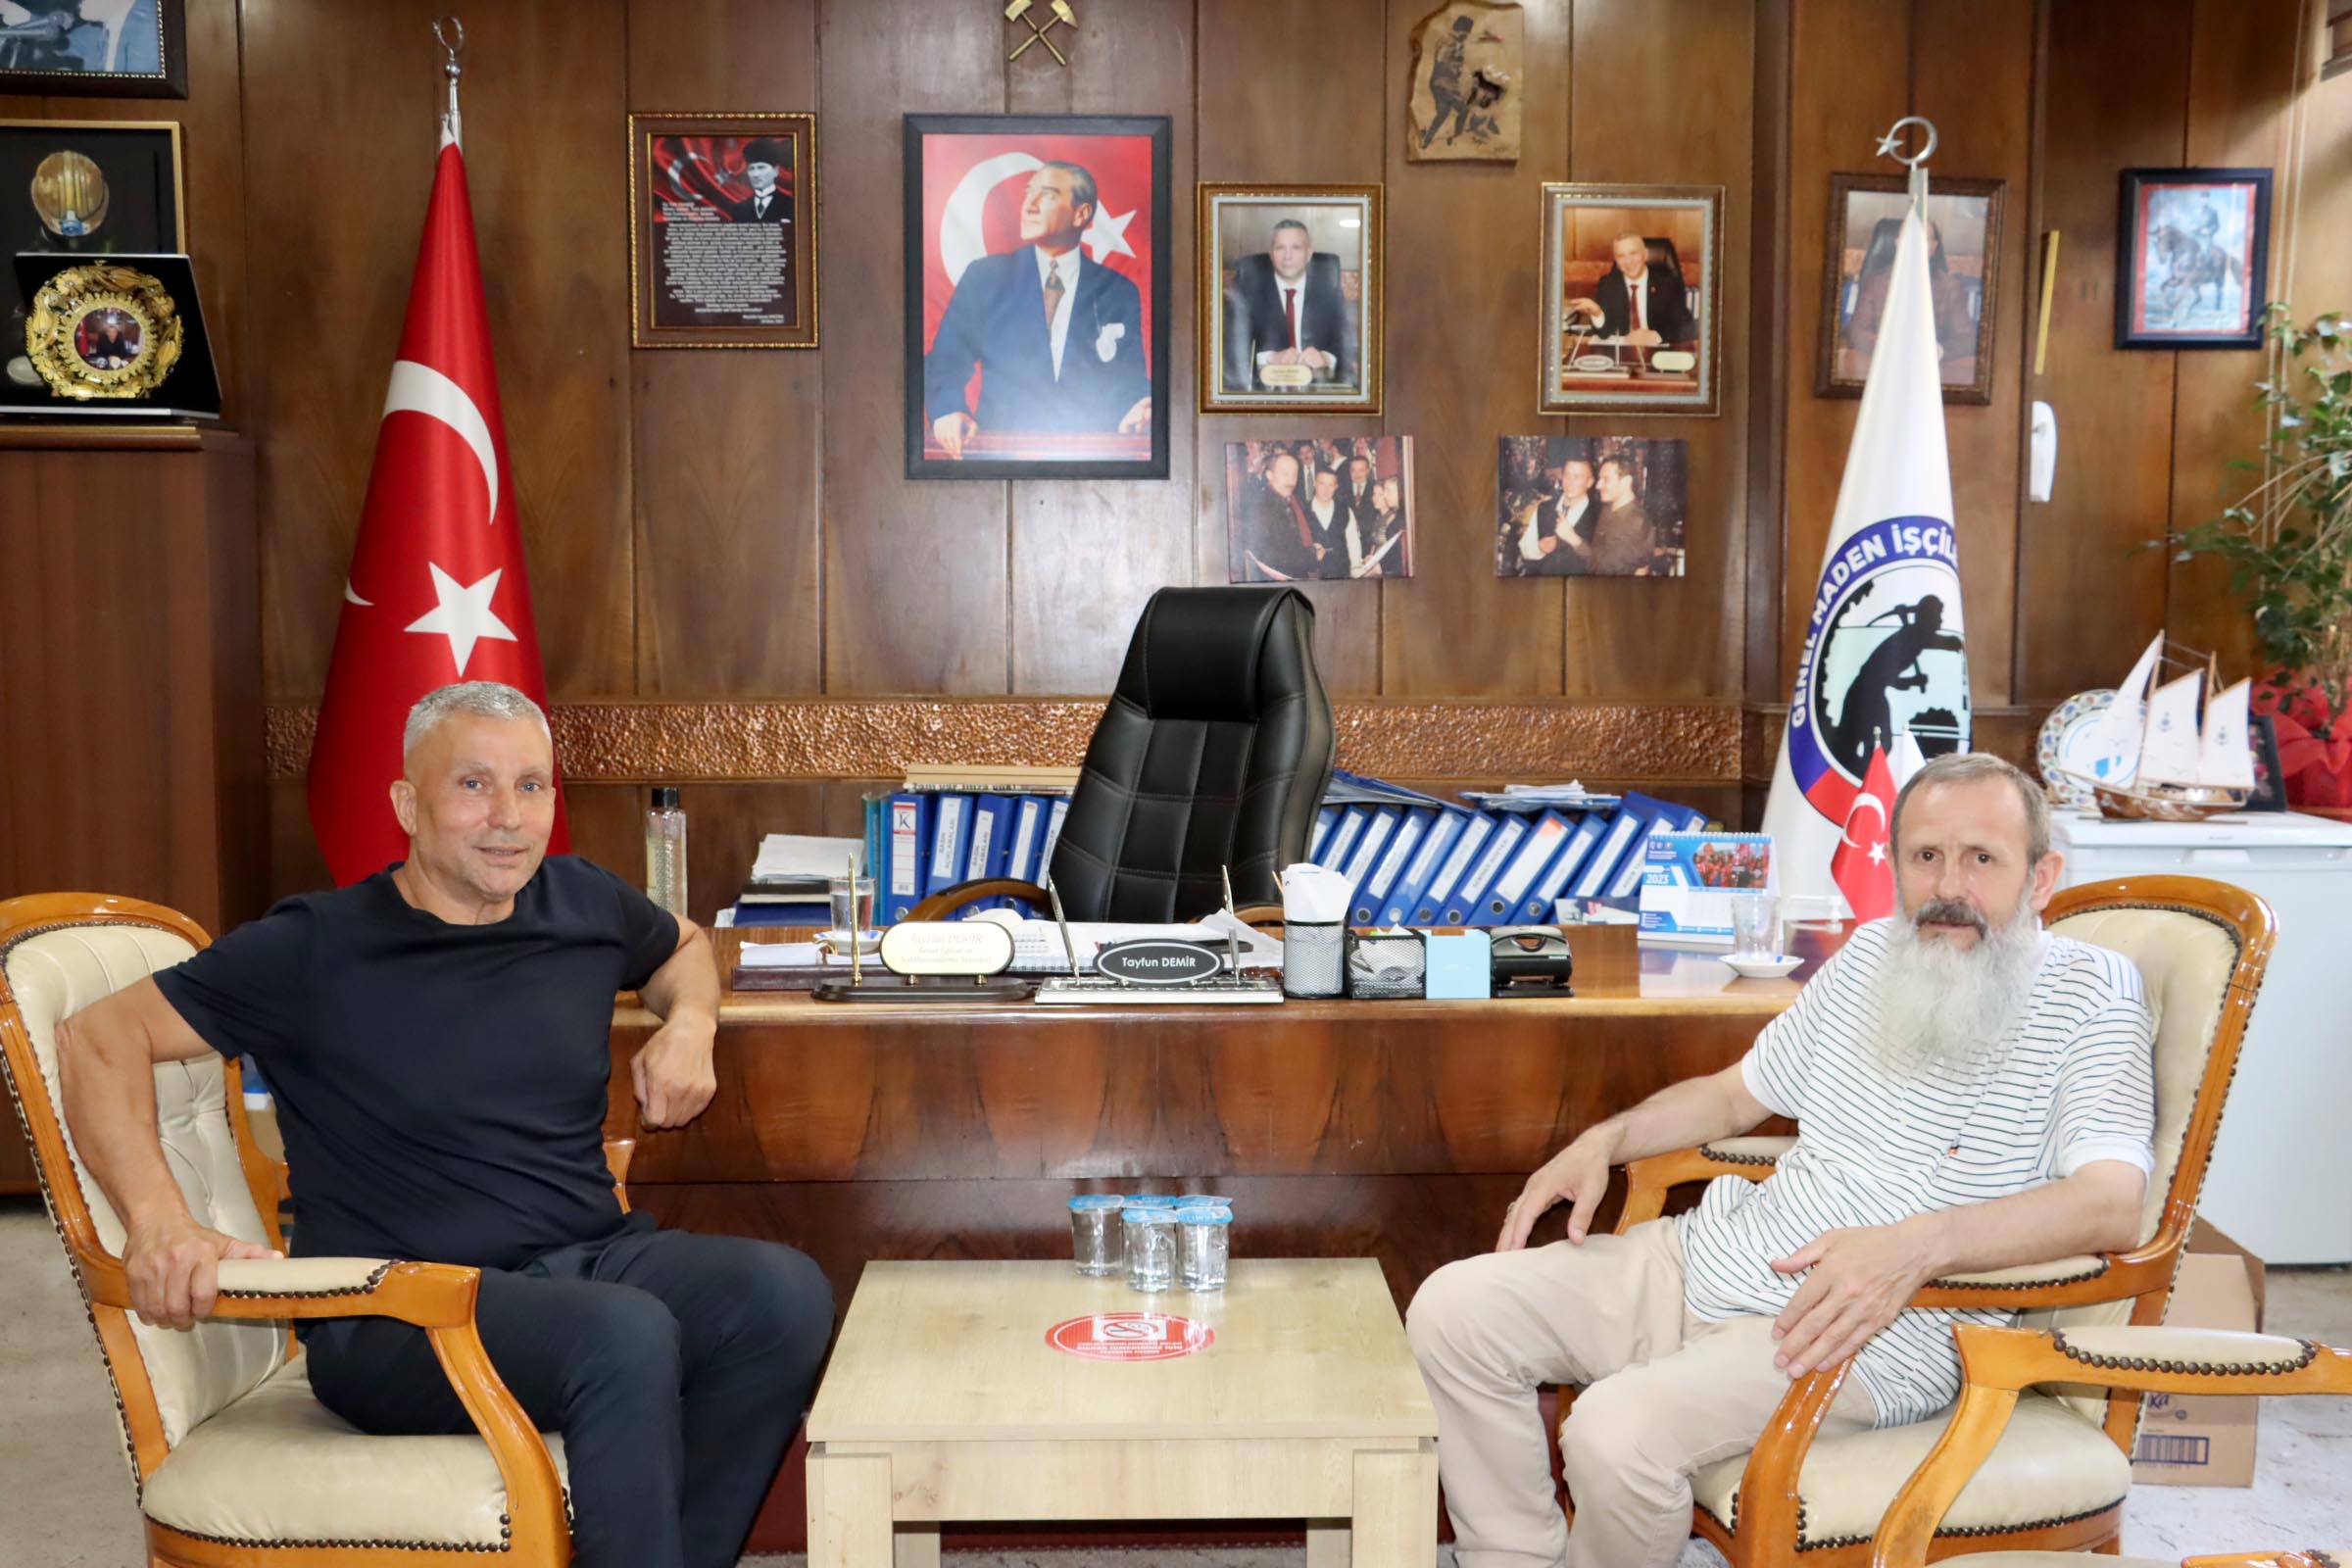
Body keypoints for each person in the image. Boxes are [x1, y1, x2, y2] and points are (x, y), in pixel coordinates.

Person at [53, 681, 833, 1568]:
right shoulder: (315, 944)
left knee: (782, 1297)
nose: (508, 817)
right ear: (406, 805)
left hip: (585, 1258)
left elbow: (685, 948)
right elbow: (95, 1039)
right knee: (622, 1335)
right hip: (394, 1309)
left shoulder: (581, 900)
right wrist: (160, 1222)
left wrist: (691, 1025)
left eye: (531, 786)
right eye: (473, 785)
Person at [1407, 752, 2155, 1568]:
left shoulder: (2094, 992)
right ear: (1894, 864)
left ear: (2040, 877)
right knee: (1455, 1311)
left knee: (1615, 1433)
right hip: (1713, 1257)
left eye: (1982, 858)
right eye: (1926, 856)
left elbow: (2112, 1203)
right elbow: (1733, 1097)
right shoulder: (1870, 957)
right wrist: (1606, 1140)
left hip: (1868, 1330)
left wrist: (1917, 1245)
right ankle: (1511, 1556)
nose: (1949, 886)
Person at [922, 160, 1151, 458]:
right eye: (1029, 193)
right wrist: (948, 410)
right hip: (999, 459)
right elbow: (945, 362)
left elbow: (1129, 381)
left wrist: (1141, 405)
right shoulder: (986, 278)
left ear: (1081, 214)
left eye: (1048, 194)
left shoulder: (1118, 290)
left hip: (1090, 462)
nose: (1029, 205)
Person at [1223, 218, 1356, 392]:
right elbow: (1232, 357)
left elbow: (1346, 349)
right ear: (1271, 254)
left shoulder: (1328, 293)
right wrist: (1269, 358)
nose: (1287, 256)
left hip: (1318, 395)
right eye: (1280, 248)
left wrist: (1326, 358)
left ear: (1309, 254)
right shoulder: (1248, 295)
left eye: (1296, 248)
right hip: (1266, 397)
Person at [1565, 230, 1695, 345]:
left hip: (1657, 352)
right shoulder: (1608, 284)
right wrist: (1597, 313)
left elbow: (1686, 326)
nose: (1628, 261)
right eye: (1621, 256)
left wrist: (1657, 336)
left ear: (1645, 254)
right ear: (1616, 260)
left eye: (1633, 253)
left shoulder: (1668, 283)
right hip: (1623, 353)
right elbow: (1604, 333)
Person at [1513, 453, 1600, 575]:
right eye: (1567, 474)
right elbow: (1524, 550)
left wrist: (1573, 538)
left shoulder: (1598, 516)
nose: (1569, 482)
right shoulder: (1544, 507)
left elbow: (1600, 564)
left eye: (1577, 477)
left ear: (1589, 482)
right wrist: (1539, 548)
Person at [1577, 453, 1655, 574]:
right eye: (1599, 479)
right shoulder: (1608, 509)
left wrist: (1573, 540)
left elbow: (1607, 568)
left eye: (1606, 479)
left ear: (1626, 482)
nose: (1598, 485)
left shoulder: (1636, 521)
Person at [724, 136, 791, 223]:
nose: (755, 174)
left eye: (761, 168)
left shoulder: (791, 205)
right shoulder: (739, 209)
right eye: (751, 169)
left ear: (776, 171)